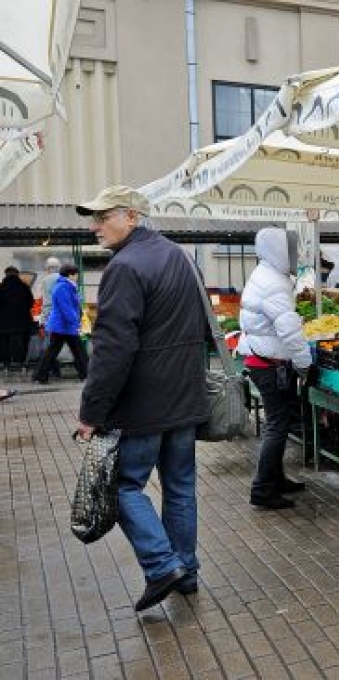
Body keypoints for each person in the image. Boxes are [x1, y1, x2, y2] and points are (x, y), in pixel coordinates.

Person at [74, 186, 209, 611]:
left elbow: (113, 348)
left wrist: (90, 413)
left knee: (124, 486)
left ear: (132, 216)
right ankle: (185, 570)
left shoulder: (125, 267)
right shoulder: (176, 255)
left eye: (102, 217)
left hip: (143, 406)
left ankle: (160, 565)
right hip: (183, 397)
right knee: (181, 487)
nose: (95, 226)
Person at [237, 227, 312, 511]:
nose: (295, 255)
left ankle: (276, 479)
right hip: (268, 365)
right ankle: (263, 489)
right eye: (290, 249)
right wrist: (305, 365)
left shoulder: (267, 274)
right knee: (277, 425)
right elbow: (289, 330)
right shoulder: (272, 283)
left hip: (264, 360)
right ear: (277, 251)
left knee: (276, 423)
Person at [33, 264, 88, 383]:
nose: (77, 277)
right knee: (78, 351)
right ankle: (86, 374)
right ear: (71, 275)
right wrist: (76, 322)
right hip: (63, 326)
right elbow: (66, 308)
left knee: (54, 352)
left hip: (62, 326)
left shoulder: (65, 286)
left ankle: (41, 376)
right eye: (76, 274)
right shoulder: (64, 287)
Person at [0, 266, 36, 371]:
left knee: (4, 342)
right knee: (21, 341)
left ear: (5, 274)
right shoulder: (24, 287)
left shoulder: (1, 288)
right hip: (22, 321)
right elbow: (31, 302)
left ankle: (5, 363)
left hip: (3, 322)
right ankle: (20, 362)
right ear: (17, 274)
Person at [37, 257, 64, 378]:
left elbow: (45, 301)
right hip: (62, 316)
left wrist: (42, 318)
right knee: (57, 345)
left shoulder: (45, 280)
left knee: (49, 345)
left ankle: (47, 371)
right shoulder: (63, 279)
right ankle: (54, 370)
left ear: (48, 268)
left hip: (50, 315)